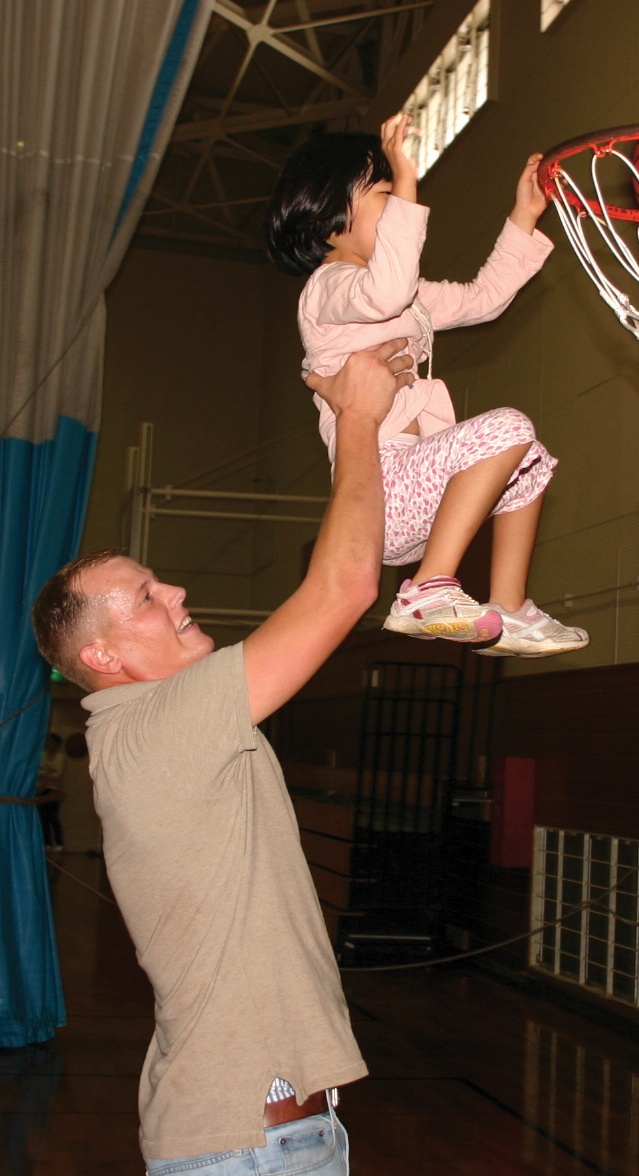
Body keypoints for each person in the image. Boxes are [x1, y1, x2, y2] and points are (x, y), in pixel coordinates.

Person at [30, 341, 414, 1173]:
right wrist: (357, 419)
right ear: (101, 658)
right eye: (145, 596)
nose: (174, 593)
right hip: (247, 1146)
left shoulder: (161, 729)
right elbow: (343, 587)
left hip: (276, 1137)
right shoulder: (154, 729)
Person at [266, 113, 589, 658]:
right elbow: (387, 290)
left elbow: (482, 298)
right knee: (508, 426)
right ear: (329, 219)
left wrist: (523, 218)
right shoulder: (328, 288)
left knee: (527, 458)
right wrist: (407, 181)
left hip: (417, 493)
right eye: (384, 195)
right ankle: (426, 590)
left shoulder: (404, 297)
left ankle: (508, 608)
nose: (397, 208)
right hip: (382, 486)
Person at [36, 732, 65, 852]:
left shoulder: (60, 757)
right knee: (42, 817)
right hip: (40, 788)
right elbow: (39, 771)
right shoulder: (42, 755)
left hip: (53, 790)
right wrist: (47, 772)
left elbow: (57, 774)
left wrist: (46, 773)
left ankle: (59, 843)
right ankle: (46, 843)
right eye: (47, 741)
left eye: (51, 741)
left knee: (52, 817)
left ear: (57, 744)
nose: (48, 743)